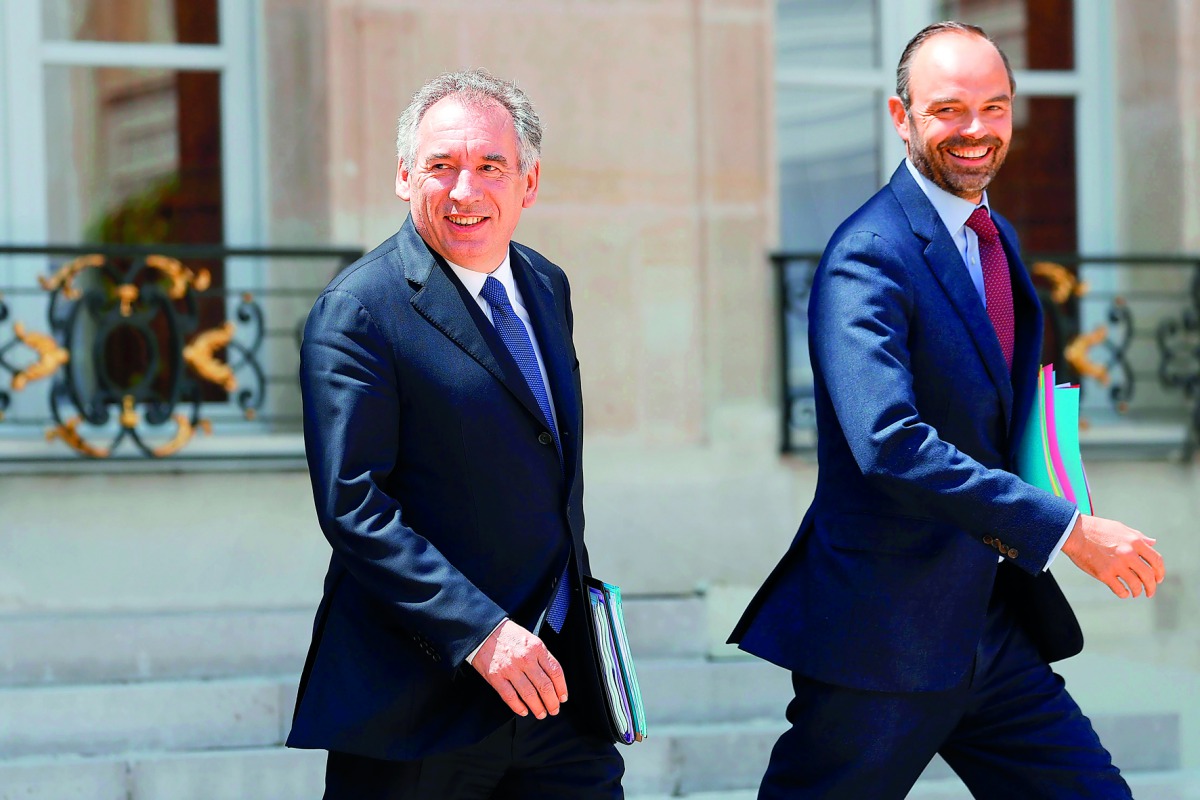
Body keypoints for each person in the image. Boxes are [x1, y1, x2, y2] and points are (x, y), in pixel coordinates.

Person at [729, 22, 1165, 800]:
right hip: (883, 639)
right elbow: (890, 443)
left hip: (994, 629)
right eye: (950, 109)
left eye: (994, 108)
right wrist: (1065, 529)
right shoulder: (867, 255)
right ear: (901, 117)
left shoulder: (995, 240)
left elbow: (1005, 408)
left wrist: (1060, 488)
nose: (976, 130)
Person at [286, 69, 624, 799]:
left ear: (528, 184)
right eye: (440, 167)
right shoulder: (360, 310)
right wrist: (480, 632)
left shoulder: (545, 284)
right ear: (405, 179)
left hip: (557, 693)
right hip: (421, 701)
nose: (464, 190)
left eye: (489, 166)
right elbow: (354, 505)